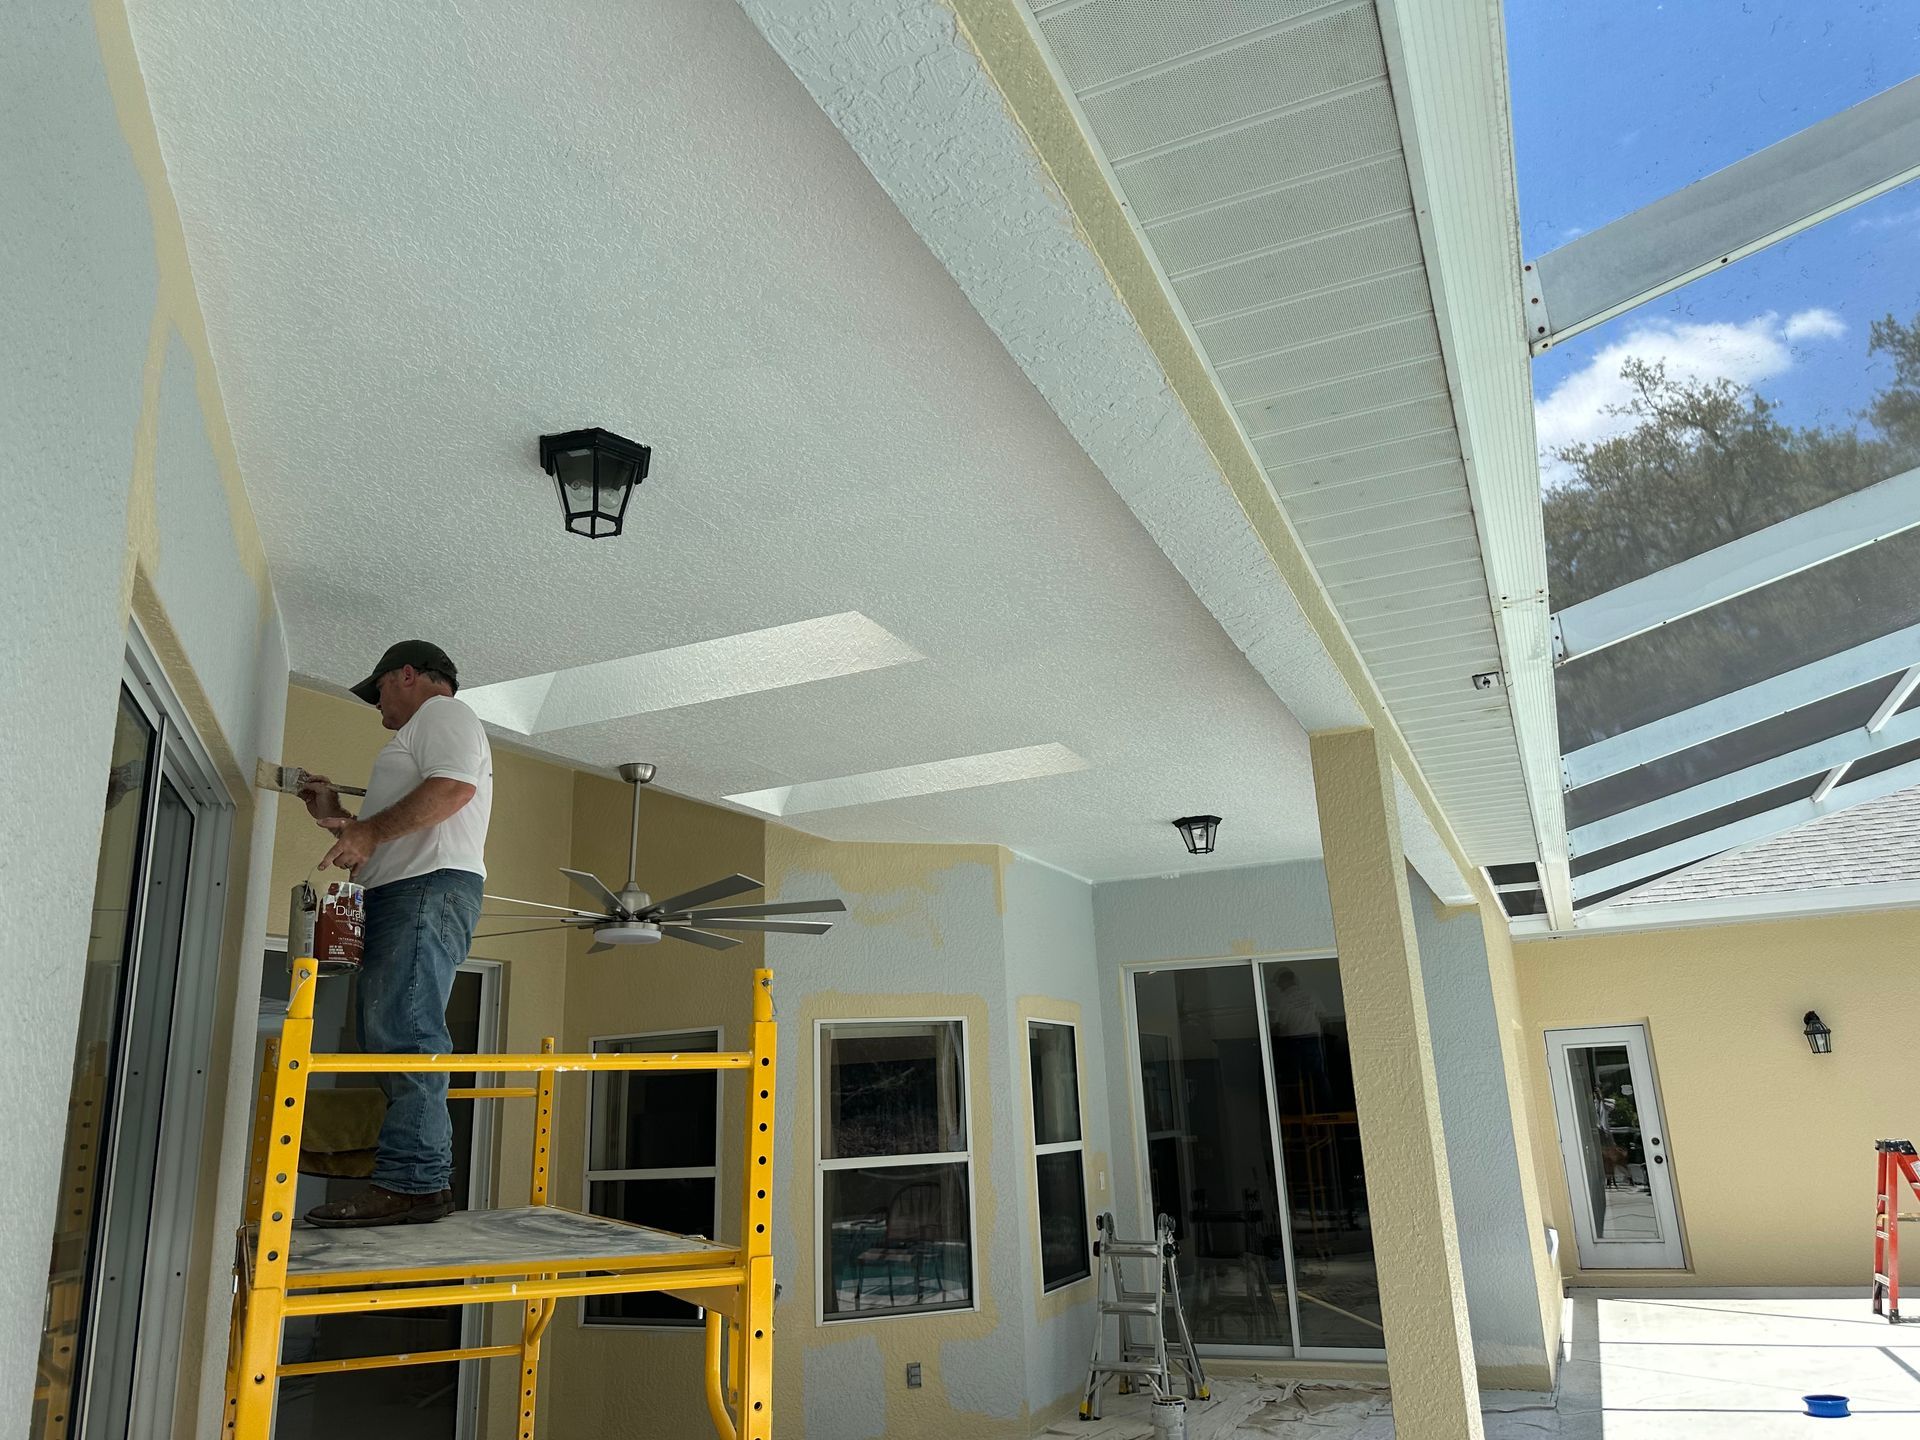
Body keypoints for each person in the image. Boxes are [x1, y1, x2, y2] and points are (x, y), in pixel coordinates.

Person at [296, 641, 493, 1227]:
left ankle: (413, 1182)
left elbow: (455, 790)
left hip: (424, 889)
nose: (377, 705)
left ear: (408, 676)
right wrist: (340, 816)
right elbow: (412, 819)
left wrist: (369, 835)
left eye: (379, 688)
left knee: (405, 1032)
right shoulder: (422, 731)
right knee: (392, 1031)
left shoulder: (445, 714)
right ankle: (412, 1177)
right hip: (411, 890)